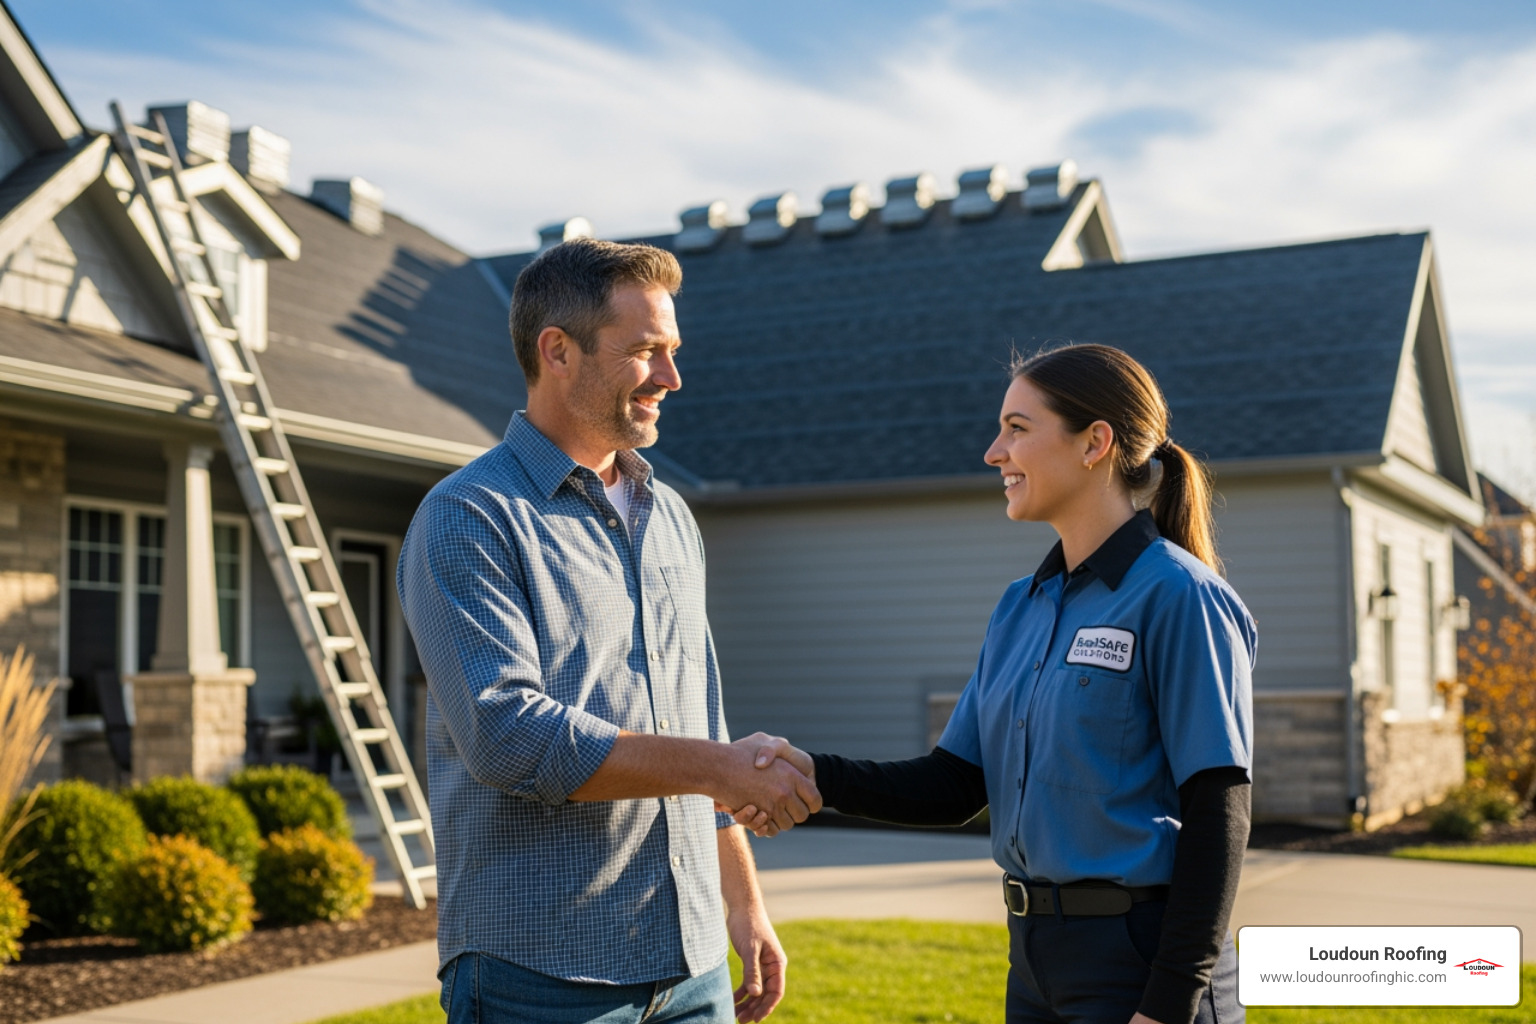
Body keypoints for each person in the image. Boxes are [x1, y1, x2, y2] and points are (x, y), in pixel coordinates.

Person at [741, 343, 1254, 1024]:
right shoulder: (1022, 604)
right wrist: (812, 773)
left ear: (1094, 442)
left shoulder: (1180, 597)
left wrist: (1168, 1002)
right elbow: (954, 785)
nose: (994, 452)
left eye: (1018, 428)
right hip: (1034, 958)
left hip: (1140, 963)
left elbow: (1219, 809)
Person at [398, 238, 821, 1024]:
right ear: (558, 351)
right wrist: (720, 769)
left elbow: (702, 719)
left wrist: (741, 901)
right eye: (645, 352)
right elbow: (507, 735)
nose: (671, 377)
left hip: (692, 963)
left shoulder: (671, 517)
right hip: (540, 974)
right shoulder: (469, 518)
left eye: (673, 352)